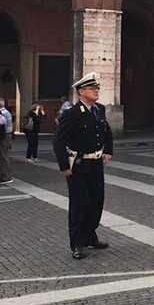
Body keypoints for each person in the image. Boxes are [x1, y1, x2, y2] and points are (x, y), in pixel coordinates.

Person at [53, 72, 113, 260]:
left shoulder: (99, 109)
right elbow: (59, 141)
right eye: (92, 88)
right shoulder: (71, 113)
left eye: (97, 88)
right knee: (80, 204)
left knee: (96, 202)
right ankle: (77, 243)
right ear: (81, 92)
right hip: (78, 166)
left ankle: (90, 235)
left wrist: (108, 150)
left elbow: (106, 131)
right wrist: (64, 166)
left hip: (96, 164)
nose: (96, 91)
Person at [0, 97, 14, 184]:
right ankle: (2, 175)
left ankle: (6, 176)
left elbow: (2, 127)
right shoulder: (5, 112)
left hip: (4, 136)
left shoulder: (3, 113)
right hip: (5, 135)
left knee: (3, 156)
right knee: (0, 156)